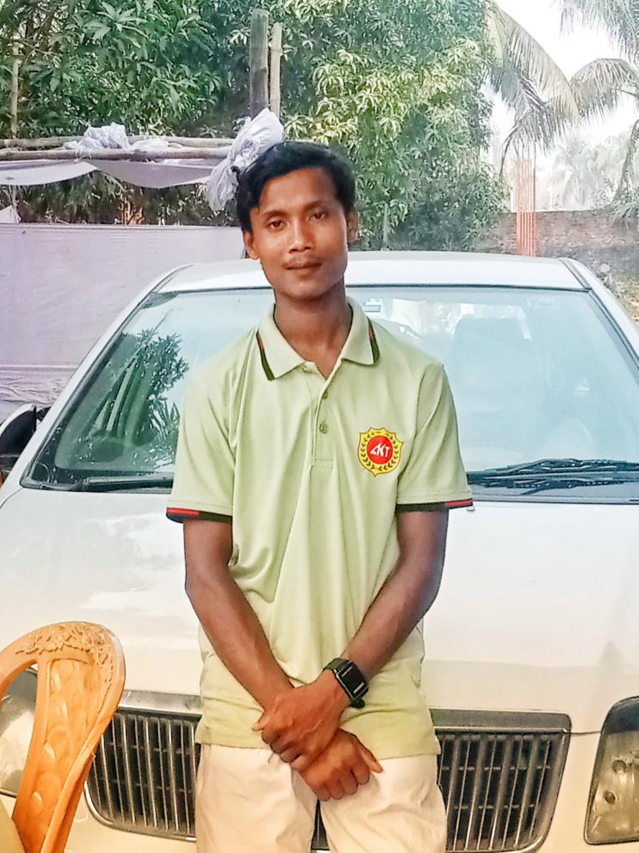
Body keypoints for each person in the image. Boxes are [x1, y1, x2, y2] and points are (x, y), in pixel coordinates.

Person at [167, 140, 472, 853]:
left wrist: (331, 694)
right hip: (251, 709)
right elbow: (205, 574)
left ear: (350, 222)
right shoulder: (216, 389)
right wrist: (298, 719)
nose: (299, 240)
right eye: (275, 223)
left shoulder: (416, 381)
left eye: (318, 215)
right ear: (250, 242)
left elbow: (420, 566)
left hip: (380, 707)